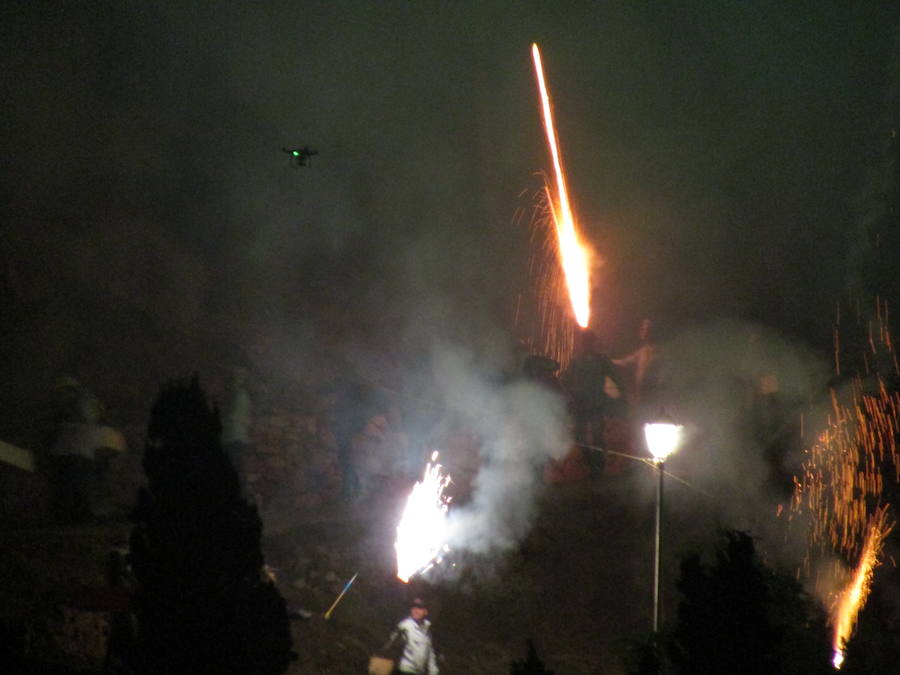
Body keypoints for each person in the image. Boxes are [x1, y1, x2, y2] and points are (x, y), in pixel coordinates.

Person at [382, 597, 439, 675]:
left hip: (419, 672)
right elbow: (390, 645)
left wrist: (433, 671)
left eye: (419, 608)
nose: (415, 610)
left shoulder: (427, 630)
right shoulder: (405, 626)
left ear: (425, 611)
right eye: (413, 607)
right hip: (404, 670)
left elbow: (430, 654)